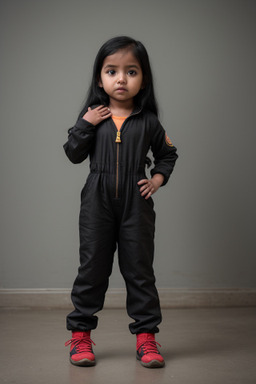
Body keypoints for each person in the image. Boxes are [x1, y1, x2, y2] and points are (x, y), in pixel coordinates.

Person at [63, 36, 178, 368]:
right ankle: (81, 336)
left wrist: (156, 179)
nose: (121, 79)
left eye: (131, 71)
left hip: (135, 203)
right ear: (100, 78)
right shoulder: (93, 117)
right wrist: (86, 124)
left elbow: (168, 155)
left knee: (139, 270)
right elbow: (72, 154)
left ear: (143, 80)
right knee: (92, 268)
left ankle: (147, 339)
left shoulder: (148, 122)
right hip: (96, 201)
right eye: (112, 71)